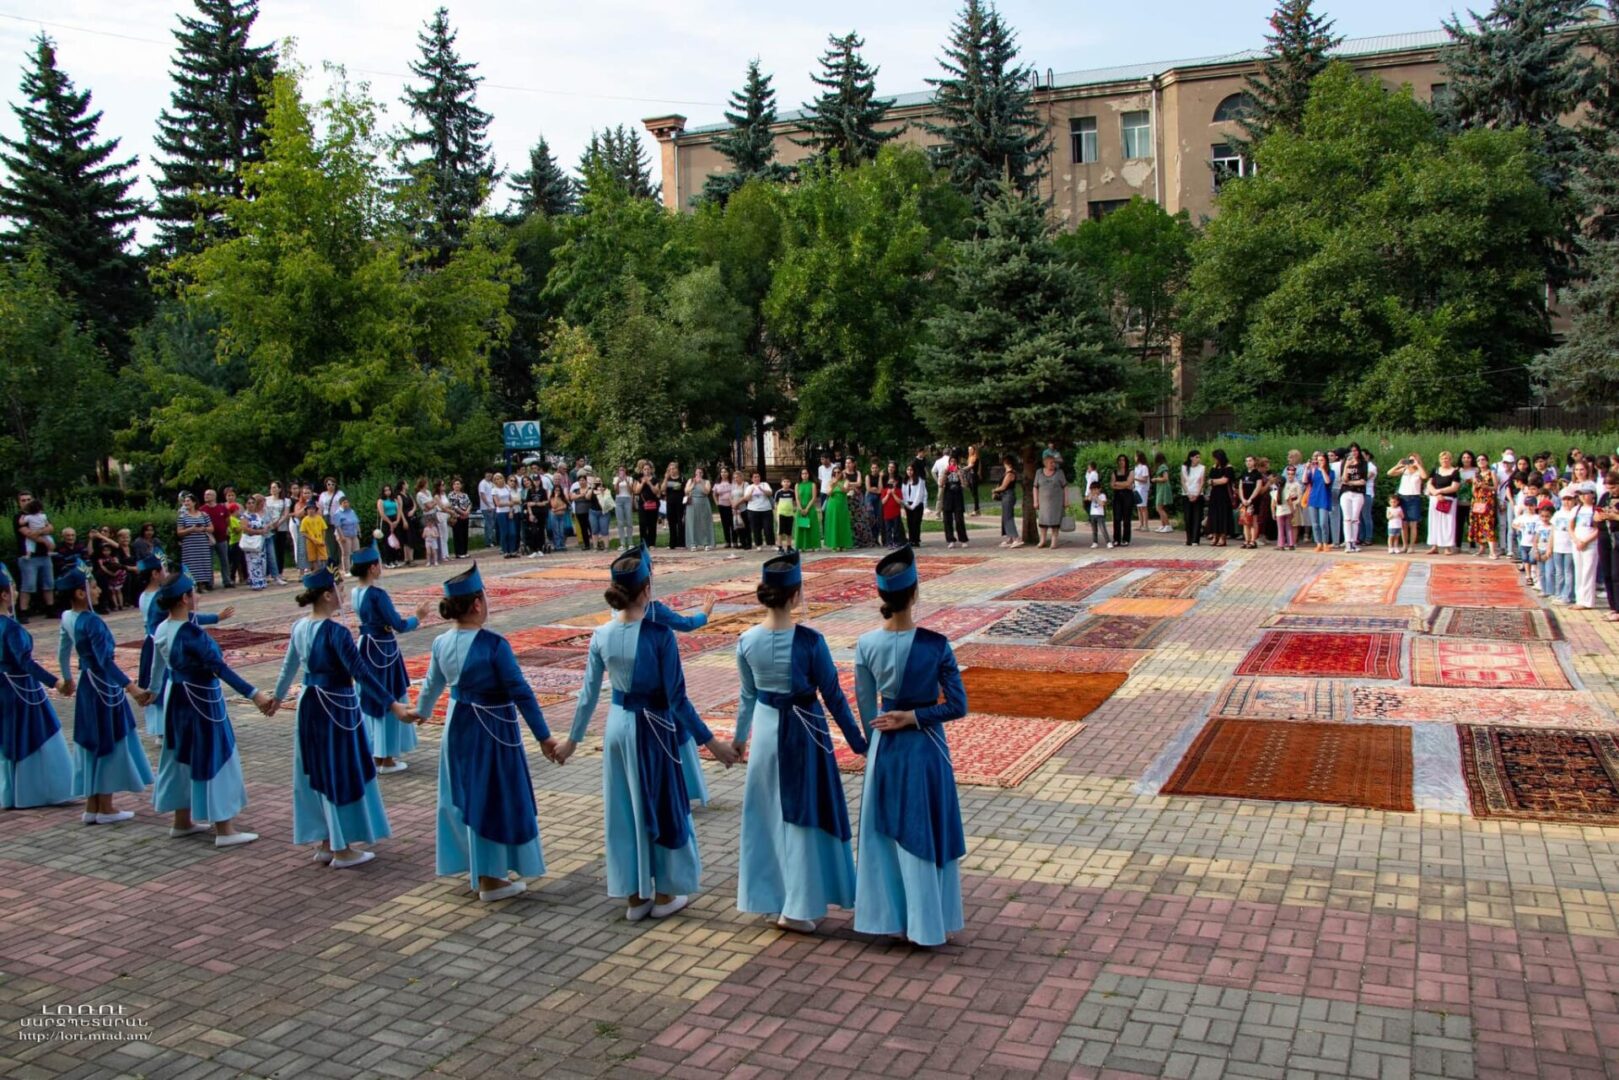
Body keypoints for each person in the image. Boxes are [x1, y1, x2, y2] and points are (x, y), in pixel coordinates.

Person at [554, 548, 738, 920]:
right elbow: (679, 700)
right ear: (647, 587)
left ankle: (635, 897)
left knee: (624, 808)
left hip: (617, 727)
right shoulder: (659, 636)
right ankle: (667, 893)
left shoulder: (601, 634)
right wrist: (712, 743)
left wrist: (570, 742)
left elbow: (588, 695)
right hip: (654, 728)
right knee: (663, 803)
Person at [730, 551, 867, 933]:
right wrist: (860, 742)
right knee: (804, 814)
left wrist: (740, 741)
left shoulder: (746, 641)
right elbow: (834, 696)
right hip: (806, 732)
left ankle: (772, 897)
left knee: (769, 815)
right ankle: (799, 905)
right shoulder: (810, 641)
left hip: (765, 733)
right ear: (795, 596)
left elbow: (747, 696)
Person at [411, 564, 559, 902]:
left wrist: (419, 711)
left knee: (466, 795)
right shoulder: (493, 645)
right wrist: (544, 735)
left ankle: (481, 869)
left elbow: (432, 684)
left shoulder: (441, 642)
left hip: (457, 724)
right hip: (491, 730)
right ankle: (491, 879)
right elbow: (520, 690)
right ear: (477, 603)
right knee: (492, 799)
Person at [852, 545, 968, 947]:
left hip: (886, 747)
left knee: (886, 834)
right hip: (928, 748)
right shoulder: (937, 645)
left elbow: (866, 708)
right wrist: (917, 718)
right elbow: (958, 706)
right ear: (916, 593)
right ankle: (927, 924)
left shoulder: (866, 644)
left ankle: (891, 919)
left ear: (882, 597)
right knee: (924, 829)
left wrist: (878, 739)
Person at [269, 568, 406, 869]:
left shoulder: (300, 627)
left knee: (317, 771)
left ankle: (326, 841)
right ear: (328, 595)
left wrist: (276, 699)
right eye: (339, 590)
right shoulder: (336, 633)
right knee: (338, 772)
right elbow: (361, 672)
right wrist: (392, 704)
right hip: (337, 707)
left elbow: (288, 667)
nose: (343, 595)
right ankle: (342, 848)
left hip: (310, 703)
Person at [150, 569, 273, 845]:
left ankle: (182, 820)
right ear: (184, 598)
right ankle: (224, 829)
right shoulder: (192, 634)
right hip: (202, 700)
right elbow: (219, 668)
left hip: (176, 698)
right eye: (192, 593)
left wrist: (152, 691)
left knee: (180, 757)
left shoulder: (162, 628)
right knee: (216, 755)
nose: (196, 597)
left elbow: (157, 667)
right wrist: (255, 695)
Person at [54, 564, 153, 823]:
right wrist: (132, 688)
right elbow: (105, 662)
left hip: (88, 684)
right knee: (109, 740)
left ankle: (92, 805)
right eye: (94, 587)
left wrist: (67, 678)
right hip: (104, 686)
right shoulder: (93, 622)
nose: (98, 591)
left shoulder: (67, 617)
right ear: (79, 593)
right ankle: (106, 807)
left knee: (91, 741)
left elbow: (63, 651)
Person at [0, 563, 76, 808]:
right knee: (36, 734)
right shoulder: (10, 628)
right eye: (11, 588)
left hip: (4, 687)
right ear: (3, 594)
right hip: (20, 690)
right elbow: (24, 662)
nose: (13, 592)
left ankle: (10, 792)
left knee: (8, 738)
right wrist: (55, 682)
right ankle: (40, 791)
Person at [350, 547, 430, 773]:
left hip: (365, 645)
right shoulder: (377, 595)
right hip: (382, 651)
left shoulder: (356, 592)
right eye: (379, 564)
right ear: (373, 567)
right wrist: (418, 617)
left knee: (370, 696)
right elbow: (398, 624)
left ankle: (377, 753)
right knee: (387, 698)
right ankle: (386, 758)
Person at [14, 493, 55, 624]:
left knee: (48, 584)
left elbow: (51, 528)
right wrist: (45, 539)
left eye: (28, 499)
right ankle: (23, 612)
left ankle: (50, 609)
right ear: (19, 503)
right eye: (23, 500)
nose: (26, 502)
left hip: (44, 556)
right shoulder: (19, 517)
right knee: (28, 585)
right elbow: (27, 534)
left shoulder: (41, 514)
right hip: (28, 557)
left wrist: (38, 532)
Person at [1389, 454, 1428, 554]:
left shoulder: (1419, 471)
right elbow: (1389, 473)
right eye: (1409, 460)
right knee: (1403, 524)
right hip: (1403, 497)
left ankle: (1411, 546)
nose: (1411, 462)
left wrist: (1417, 465)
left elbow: (1424, 476)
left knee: (1413, 524)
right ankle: (1405, 545)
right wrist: (1398, 465)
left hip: (1414, 498)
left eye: (1413, 460)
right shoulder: (1404, 470)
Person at [1425, 452, 1462, 556]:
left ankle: (1447, 547)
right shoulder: (1435, 470)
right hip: (1435, 499)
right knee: (1434, 522)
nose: (1444, 460)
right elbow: (1429, 484)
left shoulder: (1455, 472)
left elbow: (1454, 487)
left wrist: (1439, 491)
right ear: (1439, 460)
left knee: (1447, 523)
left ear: (1450, 460)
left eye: (1447, 458)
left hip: (1448, 500)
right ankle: (1434, 546)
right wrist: (1436, 494)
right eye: (1442, 458)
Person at [1572, 485, 1601, 609]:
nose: (1583, 497)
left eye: (1585, 494)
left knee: (1588, 571)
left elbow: (1598, 529)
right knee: (1578, 570)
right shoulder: (1576, 509)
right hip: (1577, 542)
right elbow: (1570, 527)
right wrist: (1576, 540)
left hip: (1590, 543)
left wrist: (1586, 541)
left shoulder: (1596, 510)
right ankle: (1579, 599)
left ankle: (1588, 601)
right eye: (1581, 494)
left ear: (1592, 495)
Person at [1035, 451, 1070, 549]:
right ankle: (1042, 541)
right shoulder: (1039, 472)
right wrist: (1035, 501)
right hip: (1043, 503)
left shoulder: (1059, 473)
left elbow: (1065, 487)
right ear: (1045, 463)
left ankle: (1054, 542)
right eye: (1051, 462)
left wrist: (1066, 500)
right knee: (1043, 522)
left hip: (1056, 503)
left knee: (1055, 523)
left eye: (1054, 462)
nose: (1053, 464)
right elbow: (1035, 487)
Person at [1469, 453, 1499, 559]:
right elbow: (1472, 491)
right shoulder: (1476, 474)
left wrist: (1485, 486)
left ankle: (1492, 551)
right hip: (1477, 501)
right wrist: (1475, 484)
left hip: (1488, 502)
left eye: (1483, 459)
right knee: (1478, 525)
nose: (1481, 462)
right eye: (1478, 460)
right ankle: (1481, 548)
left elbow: (1495, 487)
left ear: (1487, 461)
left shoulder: (1491, 473)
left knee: (1488, 524)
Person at [1301, 452, 1333, 554]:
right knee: (1315, 523)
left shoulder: (1330, 471)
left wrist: (1322, 469)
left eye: (1322, 460)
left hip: (1323, 498)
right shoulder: (1313, 471)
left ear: (1326, 461)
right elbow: (1304, 480)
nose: (1319, 462)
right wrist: (1306, 469)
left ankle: (1325, 543)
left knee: (1323, 522)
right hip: (1313, 499)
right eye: (1318, 460)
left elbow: (1327, 481)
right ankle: (1318, 543)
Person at [1550, 489, 1578, 604]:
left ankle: (1568, 595)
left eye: (1569, 499)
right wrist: (1550, 546)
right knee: (1559, 572)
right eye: (1564, 499)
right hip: (1558, 546)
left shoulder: (1575, 513)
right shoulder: (1558, 513)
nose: (1566, 502)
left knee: (1568, 571)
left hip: (1570, 547)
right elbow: (1553, 531)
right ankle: (1559, 593)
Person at [1338, 447, 1367, 554]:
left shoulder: (1363, 464)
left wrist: (1350, 483)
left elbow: (1363, 481)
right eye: (1351, 451)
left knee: (1355, 519)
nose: (1353, 453)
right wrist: (1347, 465)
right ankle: (1348, 542)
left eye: (1355, 451)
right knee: (1347, 518)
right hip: (1346, 493)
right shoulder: (1345, 463)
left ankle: (1354, 542)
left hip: (1358, 493)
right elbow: (1343, 479)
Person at [1205, 450, 1234, 548]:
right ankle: (1215, 535)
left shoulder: (1229, 468)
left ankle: (1223, 536)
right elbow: (1209, 480)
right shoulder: (1214, 467)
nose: (1214, 460)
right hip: (1214, 495)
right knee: (1214, 515)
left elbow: (1225, 480)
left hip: (1224, 495)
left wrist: (1213, 481)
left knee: (1223, 515)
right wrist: (1214, 481)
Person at [940, 453, 968, 549]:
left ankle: (963, 539)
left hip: (958, 497)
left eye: (954, 462)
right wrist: (945, 474)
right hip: (948, 497)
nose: (952, 463)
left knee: (959, 519)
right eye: (951, 462)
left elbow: (964, 485)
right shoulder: (946, 471)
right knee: (947, 520)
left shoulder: (961, 470)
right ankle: (951, 540)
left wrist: (959, 475)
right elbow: (941, 484)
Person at [821, 468, 852, 552]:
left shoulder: (846, 481)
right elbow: (828, 493)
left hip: (842, 505)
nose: (836, 474)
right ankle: (834, 545)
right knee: (833, 523)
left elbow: (845, 490)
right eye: (835, 472)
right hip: (832, 505)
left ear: (841, 473)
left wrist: (837, 483)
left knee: (842, 524)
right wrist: (832, 485)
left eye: (838, 472)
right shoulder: (830, 482)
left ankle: (843, 544)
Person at [992, 456, 1020, 548]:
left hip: (1008, 495)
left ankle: (1016, 538)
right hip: (1005, 496)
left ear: (1006, 463)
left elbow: (1004, 486)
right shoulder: (1006, 473)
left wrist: (994, 490)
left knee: (1008, 518)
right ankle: (1010, 537)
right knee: (1005, 517)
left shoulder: (1010, 474)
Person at [793, 468, 822, 552]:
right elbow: (797, 498)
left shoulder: (812, 484)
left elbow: (814, 498)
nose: (804, 475)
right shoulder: (797, 485)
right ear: (800, 475)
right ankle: (802, 546)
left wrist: (807, 509)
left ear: (809, 475)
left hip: (810, 509)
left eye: (806, 473)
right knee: (802, 527)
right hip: (800, 509)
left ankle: (813, 545)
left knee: (811, 527)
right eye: (803, 474)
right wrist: (801, 508)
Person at [1109, 454, 1135, 548]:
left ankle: (1126, 539)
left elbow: (1129, 483)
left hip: (1128, 497)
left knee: (1126, 518)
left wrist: (1117, 484)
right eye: (1119, 460)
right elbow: (1112, 485)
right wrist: (1123, 485)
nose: (1121, 462)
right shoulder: (1114, 472)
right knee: (1116, 518)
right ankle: (1116, 539)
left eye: (1123, 460)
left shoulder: (1130, 472)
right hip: (1117, 497)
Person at [661, 463, 686, 551]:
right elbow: (662, 490)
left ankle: (682, 543)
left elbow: (685, 490)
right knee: (671, 523)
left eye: (673, 468)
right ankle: (672, 543)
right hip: (670, 503)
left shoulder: (682, 478)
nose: (672, 470)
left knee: (680, 523)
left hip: (680, 503)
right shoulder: (667, 479)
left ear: (677, 469)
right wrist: (665, 478)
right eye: (670, 469)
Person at [901, 464, 928, 547]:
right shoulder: (905, 481)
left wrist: (913, 506)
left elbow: (919, 494)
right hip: (907, 504)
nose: (909, 472)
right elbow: (903, 493)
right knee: (910, 522)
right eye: (908, 470)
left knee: (916, 522)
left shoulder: (920, 480)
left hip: (917, 504)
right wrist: (905, 504)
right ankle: (911, 539)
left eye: (911, 470)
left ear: (914, 471)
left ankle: (916, 540)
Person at [448, 478, 473, 559]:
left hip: (466, 517)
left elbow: (469, 503)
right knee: (458, 535)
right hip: (457, 517)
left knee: (465, 534)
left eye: (458, 484)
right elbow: (454, 506)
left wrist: (467, 512)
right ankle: (459, 552)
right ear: (452, 486)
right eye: (455, 484)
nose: (457, 485)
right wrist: (462, 512)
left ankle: (465, 551)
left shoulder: (465, 495)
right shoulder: (451, 495)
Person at [1151, 453, 1175, 533]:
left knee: (1159, 507)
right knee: (1160, 507)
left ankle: (1167, 525)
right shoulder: (1161, 467)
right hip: (1160, 488)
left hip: (1163, 489)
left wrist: (1156, 479)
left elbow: (1165, 478)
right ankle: (1163, 525)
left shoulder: (1163, 467)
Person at [774, 479, 795, 554]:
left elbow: (794, 502)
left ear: (790, 483)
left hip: (790, 514)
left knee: (789, 532)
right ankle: (780, 548)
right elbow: (776, 504)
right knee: (780, 532)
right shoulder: (778, 492)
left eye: (788, 481)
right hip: (781, 514)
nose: (786, 483)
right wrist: (777, 514)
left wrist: (793, 510)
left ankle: (789, 547)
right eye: (784, 481)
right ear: (781, 483)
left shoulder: (792, 492)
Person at [1087, 481, 1108, 548]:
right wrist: (1091, 494)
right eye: (1092, 489)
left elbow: (1102, 504)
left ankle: (1108, 542)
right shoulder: (1091, 495)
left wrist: (1097, 497)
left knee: (1103, 529)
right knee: (1094, 530)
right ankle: (1095, 542)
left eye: (1096, 489)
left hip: (1100, 515)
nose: (1094, 491)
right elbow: (1088, 499)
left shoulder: (1102, 495)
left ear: (1099, 489)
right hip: (1092, 514)